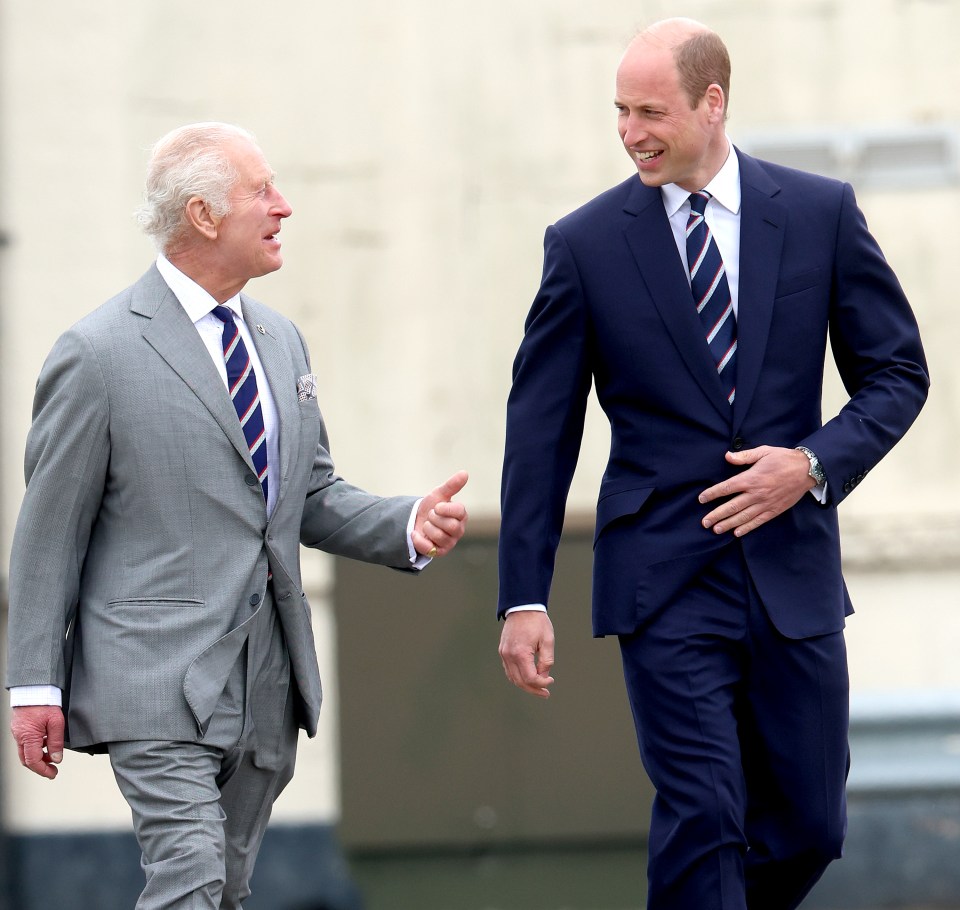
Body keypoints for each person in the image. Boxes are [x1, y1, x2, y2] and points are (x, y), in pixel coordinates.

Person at [497, 18, 928, 910]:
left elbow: (898, 374)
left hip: (792, 573)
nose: (629, 132)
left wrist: (810, 464)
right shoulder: (583, 245)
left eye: (649, 110)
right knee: (705, 816)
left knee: (811, 823)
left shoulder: (818, 214)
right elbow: (542, 431)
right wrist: (524, 594)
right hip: (663, 579)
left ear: (713, 102)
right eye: (619, 111)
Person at [6, 122, 468, 910]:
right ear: (203, 215)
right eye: (263, 191)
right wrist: (33, 687)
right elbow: (48, 534)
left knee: (225, 891)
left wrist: (404, 523)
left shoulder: (281, 343)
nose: (284, 207)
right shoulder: (98, 353)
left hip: (265, 680)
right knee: (189, 882)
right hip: (151, 680)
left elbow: (308, 495)